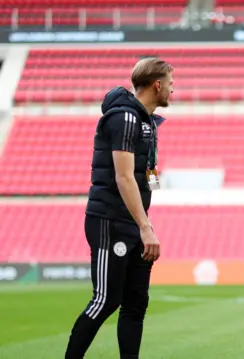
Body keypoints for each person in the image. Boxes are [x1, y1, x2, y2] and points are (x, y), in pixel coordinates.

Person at [65, 57, 173, 359]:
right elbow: (123, 177)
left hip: (134, 222)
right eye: (171, 84)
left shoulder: (147, 123)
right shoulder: (125, 118)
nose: (173, 91)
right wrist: (146, 227)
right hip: (110, 221)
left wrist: (152, 183)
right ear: (157, 84)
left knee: (136, 303)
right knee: (106, 300)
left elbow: (142, 175)